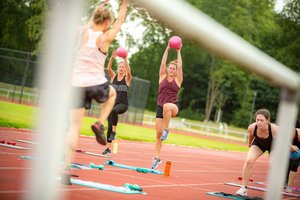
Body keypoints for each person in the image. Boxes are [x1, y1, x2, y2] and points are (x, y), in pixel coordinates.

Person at [63, 0, 128, 184]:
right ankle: (100, 123)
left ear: (94, 19)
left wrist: (100, 4)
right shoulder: (104, 38)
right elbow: (120, 22)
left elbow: (91, 20)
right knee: (113, 93)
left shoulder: (84, 32)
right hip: (95, 82)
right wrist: (124, 4)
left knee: (74, 128)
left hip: (77, 84)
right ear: (107, 23)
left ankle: (66, 169)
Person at [236, 109, 299, 196]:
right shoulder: (252, 127)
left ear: (267, 120)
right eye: (257, 120)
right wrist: (249, 144)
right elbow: (251, 135)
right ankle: (243, 189)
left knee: (272, 164)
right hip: (259, 144)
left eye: (262, 120)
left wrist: (291, 147)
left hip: (273, 145)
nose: (259, 122)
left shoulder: (275, 129)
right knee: (249, 161)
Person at [151, 41, 183, 169]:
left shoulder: (178, 79)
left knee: (167, 107)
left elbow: (180, 67)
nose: (172, 69)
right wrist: (167, 49)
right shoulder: (162, 76)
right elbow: (162, 63)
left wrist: (179, 52)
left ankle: (167, 129)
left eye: (174, 69)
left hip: (173, 107)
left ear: (175, 71)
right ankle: (157, 158)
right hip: (160, 107)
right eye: (170, 68)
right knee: (158, 135)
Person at [102, 50, 132, 156]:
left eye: (123, 67)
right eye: (120, 66)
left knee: (115, 111)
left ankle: (114, 131)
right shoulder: (114, 77)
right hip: (112, 104)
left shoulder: (127, 79)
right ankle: (108, 148)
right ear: (118, 68)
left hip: (123, 105)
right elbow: (108, 68)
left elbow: (129, 72)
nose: (121, 68)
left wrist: (125, 59)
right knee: (109, 125)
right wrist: (112, 58)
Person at [285, 124, 300, 193]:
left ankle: (289, 186)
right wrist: (291, 148)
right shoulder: (286, 136)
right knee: (288, 162)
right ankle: (286, 180)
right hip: (292, 148)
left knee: (295, 163)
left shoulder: (299, 133)